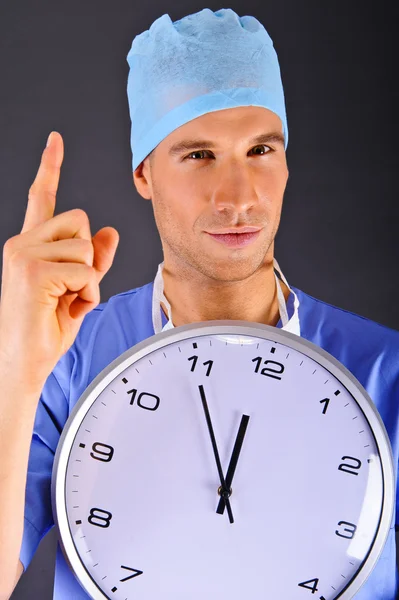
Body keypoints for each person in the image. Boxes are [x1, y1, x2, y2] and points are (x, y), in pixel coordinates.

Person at [0, 7, 397, 600]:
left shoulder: (385, 373)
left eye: (260, 150)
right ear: (144, 173)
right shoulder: (67, 362)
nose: (238, 198)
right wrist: (16, 367)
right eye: (198, 155)